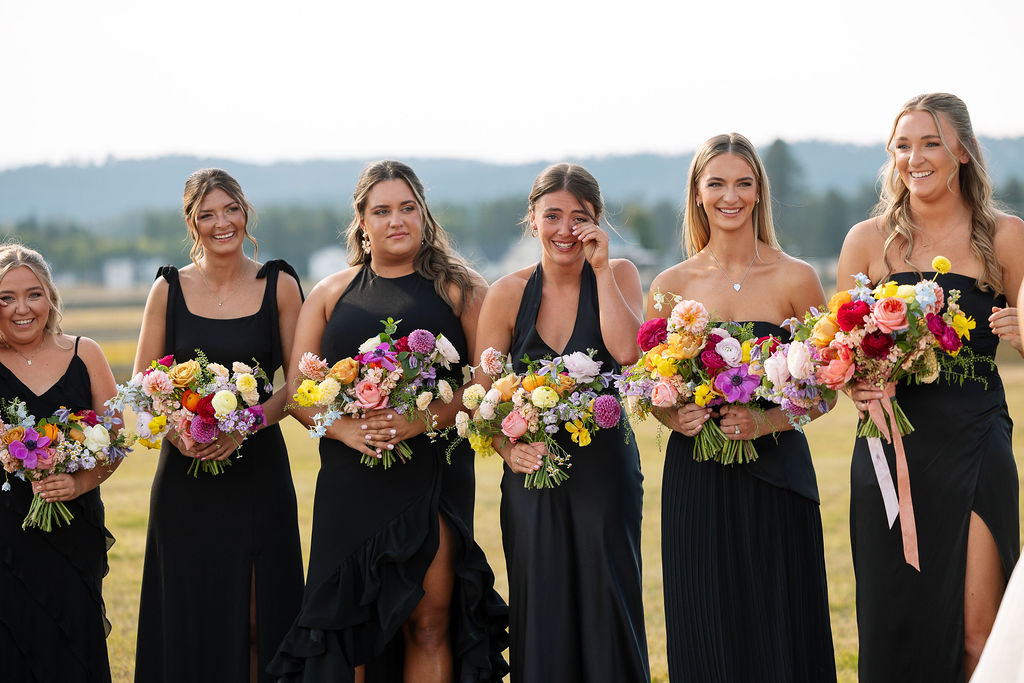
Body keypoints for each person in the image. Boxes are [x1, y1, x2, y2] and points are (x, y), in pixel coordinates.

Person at [268, 160, 508, 683]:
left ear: (423, 214)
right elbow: (297, 393)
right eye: (382, 210)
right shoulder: (331, 293)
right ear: (361, 221)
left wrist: (421, 420)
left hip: (432, 478)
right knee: (349, 629)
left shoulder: (461, 289)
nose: (396, 220)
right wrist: (344, 428)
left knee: (428, 623)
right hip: (350, 483)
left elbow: (487, 382)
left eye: (407, 208)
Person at [840, 93, 1024, 682]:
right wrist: (857, 386)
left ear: (962, 153)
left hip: (975, 440)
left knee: (980, 637)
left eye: (930, 143)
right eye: (902, 145)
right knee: (894, 630)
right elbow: (841, 358)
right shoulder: (867, 241)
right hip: (891, 449)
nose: (914, 157)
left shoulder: (1007, 235)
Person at [647, 133, 837, 682]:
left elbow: (827, 386)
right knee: (706, 625)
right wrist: (672, 416)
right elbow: (653, 384)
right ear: (698, 194)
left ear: (759, 193)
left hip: (777, 477)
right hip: (698, 479)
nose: (731, 196)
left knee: (781, 622)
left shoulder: (795, 277)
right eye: (717, 184)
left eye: (743, 183)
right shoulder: (670, 285)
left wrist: (768, 420)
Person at [473, 162, 650, 682]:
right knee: (541, 603)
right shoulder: (506, 293)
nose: (565, 230)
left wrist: (600, 268)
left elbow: (625, 352)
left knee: (607, 601)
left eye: (580, 217)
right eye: (552, 215)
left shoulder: (618, 275)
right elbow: (480, 398)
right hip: (533, 477)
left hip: (605, 474)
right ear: (532, 220)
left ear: (598, 223)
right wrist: (508, 449)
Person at [133, 168, 305, 683]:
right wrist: (180, 434)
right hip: (185, 483)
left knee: (259, 619)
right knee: (189, 617)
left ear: (245, 211)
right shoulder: (168, 288)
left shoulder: (280, 283)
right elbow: (143, 387)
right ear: (192, 223)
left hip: (258, 476)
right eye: (207, 214)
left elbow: (297, 388)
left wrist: (242, 427)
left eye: (230, 209)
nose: (222, 222)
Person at [0, 244, 123, 682]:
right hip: (5, 539)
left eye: (33, 294)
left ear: (50, 297)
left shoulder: (85, 352)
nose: (21, 309)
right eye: (6, 297)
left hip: (73, 532)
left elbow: (116, 439)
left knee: (74, 649)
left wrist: (81, 483)